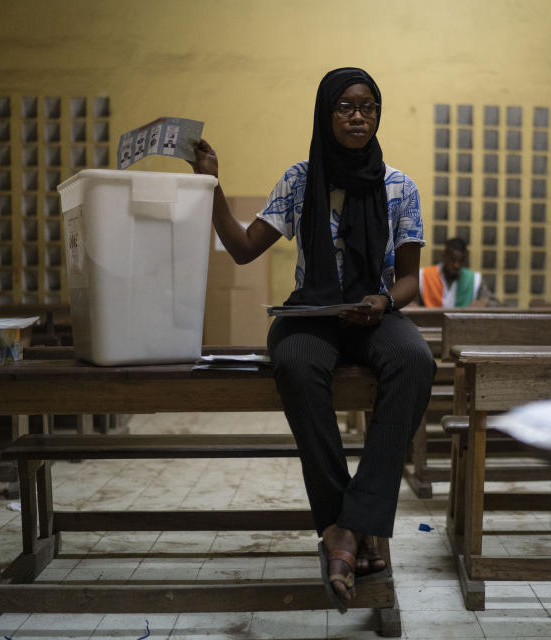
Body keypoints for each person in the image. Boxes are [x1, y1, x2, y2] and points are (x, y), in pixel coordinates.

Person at [188, 67, 435, 613]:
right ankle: (346, 526)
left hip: (374, 310)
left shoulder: (399, 186)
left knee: (415, 361)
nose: (358, 115)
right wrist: (213, 183)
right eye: (346, 106)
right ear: (327, 114)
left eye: (368, 106)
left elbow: (411, 281)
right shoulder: (301, 180)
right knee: (295, 361)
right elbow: (244, 248)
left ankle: (348, 526)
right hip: (314, 312)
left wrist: (384, 302)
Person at [417, 236, 498, 307]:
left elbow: (495, 303)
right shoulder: (424, 275)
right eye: (452, 260)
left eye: (461, 261)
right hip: (430, 323)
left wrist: (485, 303)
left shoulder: (474, 279)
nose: (457, 265)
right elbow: (411, 302)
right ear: (444, 257)